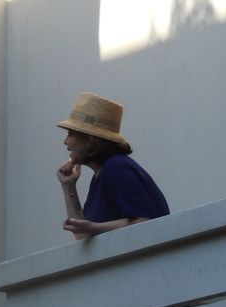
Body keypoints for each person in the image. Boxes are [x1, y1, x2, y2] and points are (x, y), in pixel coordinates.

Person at [55, 92, 168, 239]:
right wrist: (68, 187)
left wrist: (93, 227)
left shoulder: (116, 167)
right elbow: (82, 236)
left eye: (70, 133)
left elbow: (144, 222)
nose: (65, 141)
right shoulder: (102, 174)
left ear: (90, 139)